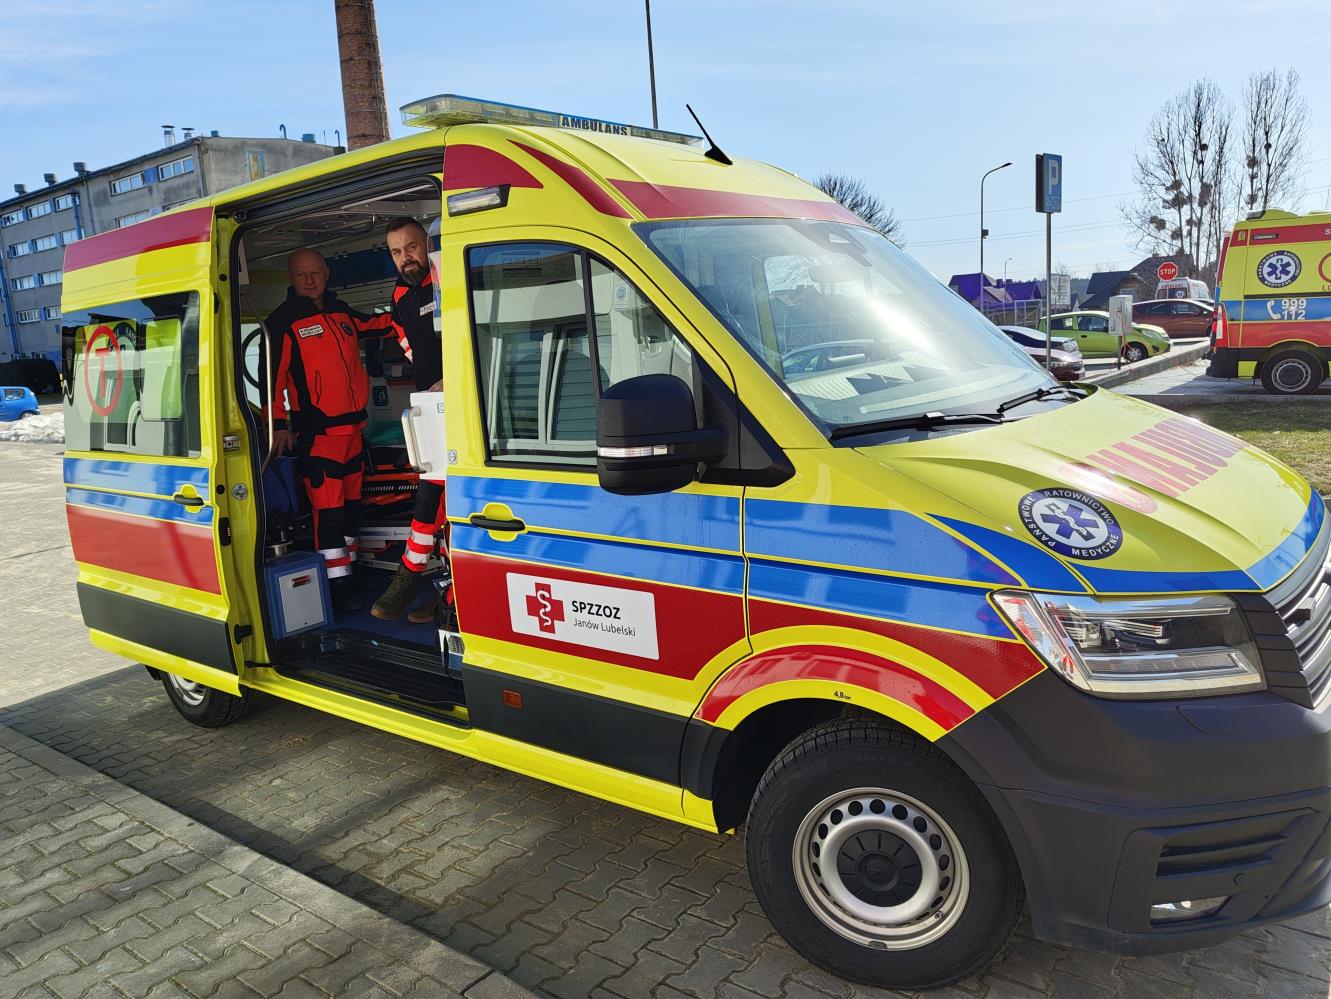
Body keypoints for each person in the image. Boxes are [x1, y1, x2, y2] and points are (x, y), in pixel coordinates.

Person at [267, 247, 395, 609]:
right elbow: (273, 379)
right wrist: (278, 424)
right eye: (301, 275)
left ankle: (349, 571)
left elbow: (377, 325)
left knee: (353, 507)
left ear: (326, 273)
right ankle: (336, 587)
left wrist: (413, 306)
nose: (309, 281)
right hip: (320, 436)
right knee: (329, 512)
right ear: (292, 278)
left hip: (354, 430)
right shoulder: (283, 321)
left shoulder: (341, 312)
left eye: (315, 273)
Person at [371, 218, 452, 624]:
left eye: (412, 247)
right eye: (396, 252)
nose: (406, 258)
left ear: (427, 244)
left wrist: (453, 377)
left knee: (437, 499)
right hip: (429, 411)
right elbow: (406, 341)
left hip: (466, 405)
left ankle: (410, 578)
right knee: (437, 501)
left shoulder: (447, 275)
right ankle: (448, 595)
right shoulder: (399, 295)